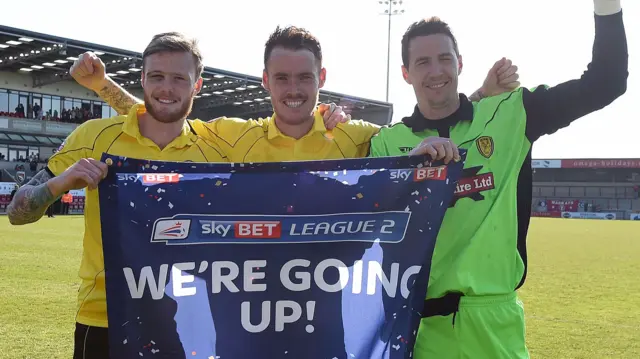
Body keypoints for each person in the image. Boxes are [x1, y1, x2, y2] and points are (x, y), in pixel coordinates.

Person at [368, 0, 628, 358]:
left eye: (445, 58)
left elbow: (607, 81)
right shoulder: (385, 144)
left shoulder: (511, 112)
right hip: (417, 332)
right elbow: (370, 226)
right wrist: (409, 174)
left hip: (495, 326)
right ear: (405, 73)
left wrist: (607, 5)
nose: (436, 70)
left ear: (459, 63)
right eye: (422, 62)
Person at [7, 32, 230, 359]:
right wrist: (60, 183)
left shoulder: (215, 150)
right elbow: (16, 212)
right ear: (142, 78)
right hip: (104, 319)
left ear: (197, 85)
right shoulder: (94, 136)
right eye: (156, 76)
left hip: (188, 319)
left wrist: (331, 122)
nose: (166, 88)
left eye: (179, 79)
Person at [70, 26, 520, 163]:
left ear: (321, 77)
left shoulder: (356, 136)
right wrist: (101, 87)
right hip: (253, 306)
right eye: (281, 78)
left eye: (304, 78)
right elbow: (160, 113)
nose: (293, 90)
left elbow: (421, 123)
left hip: (329, 304)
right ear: (265, 80)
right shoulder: (231, 136)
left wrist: (480, 93)